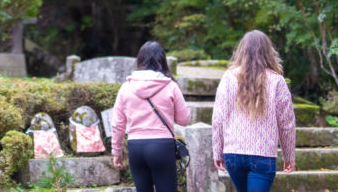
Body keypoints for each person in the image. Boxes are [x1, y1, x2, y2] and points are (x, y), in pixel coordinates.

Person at [212, 30, 297, 192]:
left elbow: (218, 118)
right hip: (263, 154)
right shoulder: (277, 81)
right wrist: (289, 156)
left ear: (241, 51)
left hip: (233, 153)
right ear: (268, 52)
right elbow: (287, 123)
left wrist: (217, 151)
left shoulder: (228, 78)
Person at [111, 41, 191, 192]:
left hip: (135, 147)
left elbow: (117, 124)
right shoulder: (170, 86)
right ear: (162, 60)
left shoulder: (126, 87)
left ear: (140, 60)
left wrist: (116, 152)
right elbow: (184, 119)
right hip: (162, 145)